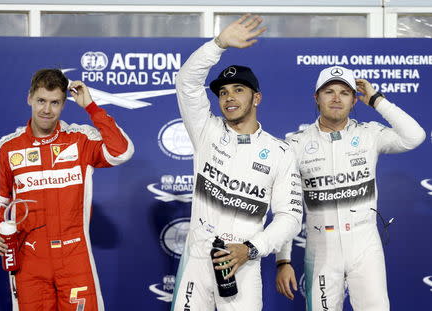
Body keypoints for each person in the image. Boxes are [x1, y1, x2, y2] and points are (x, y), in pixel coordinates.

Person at [171, 15, 303, 311]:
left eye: (238, 90)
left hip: (243, 262)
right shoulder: (206, 130)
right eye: (223, 92)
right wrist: (218, 44)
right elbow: (186, 83)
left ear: (257, 97)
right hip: (198, 259)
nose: (229, 97)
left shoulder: (280, 152)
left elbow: (290, 217)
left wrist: (251, 249)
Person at [275, 65, 426, 310]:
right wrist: (283, 260)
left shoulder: (369, 135)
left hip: (365, 243)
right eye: (329, 91)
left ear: (354, 100)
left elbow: (415, 136)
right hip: (321, 246)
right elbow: (286, 204)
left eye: (345, 93)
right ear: (316, 97)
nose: (336, 98)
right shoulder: (295, 144)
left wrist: (377, 101)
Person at [0, 69, 134, 310]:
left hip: (74, 256)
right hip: (28, 258)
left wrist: (92, 107)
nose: (46, 109)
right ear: (29, 98)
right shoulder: (8, 147)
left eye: (55, 103)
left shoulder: (80, 138)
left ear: (64, 104)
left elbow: (122, 151)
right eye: (41, 100)